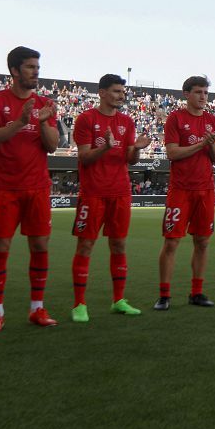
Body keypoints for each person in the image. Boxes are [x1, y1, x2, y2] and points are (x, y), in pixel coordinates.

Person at [0, 46, 60, 333]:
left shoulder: (45, 103)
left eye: (37, 66)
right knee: (1, 246)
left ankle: (37, 308)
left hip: (37, 187)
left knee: (40, 246)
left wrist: (42, 123)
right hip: (4, 188)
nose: (36, 71)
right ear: (14, 70)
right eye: (29, 67)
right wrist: (20, 122)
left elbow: (52, 146)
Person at [70, 74, 151, 321]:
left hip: (120, 192)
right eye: (116, 91)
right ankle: (79, 305)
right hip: (93, 193)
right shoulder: (86, 119)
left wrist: (136, 148)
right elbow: (83, 157)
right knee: (86, 245)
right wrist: (105, 147)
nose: (121, 95)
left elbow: (130, 159)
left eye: (122, 92)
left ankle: (119, 300)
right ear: (102, 92)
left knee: (119, 245)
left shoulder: (126, 121)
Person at [155, 76, 215, 310]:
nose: (203, 96)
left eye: (205, 92)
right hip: (181, 190)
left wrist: (212, 144)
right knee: (172, 242)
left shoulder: (214, 121)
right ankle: (164, 295)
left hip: (205, 190)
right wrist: (201, 144)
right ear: (186, 94)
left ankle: (197, 292)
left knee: (202, 241)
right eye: (198, 92)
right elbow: (172, 153)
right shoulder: (175, 118)